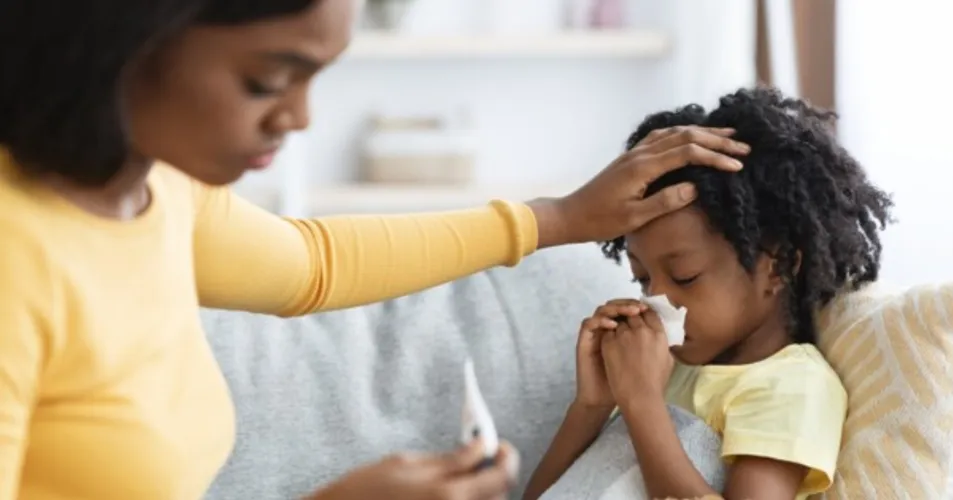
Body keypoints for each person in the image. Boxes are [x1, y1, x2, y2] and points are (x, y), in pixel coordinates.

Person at [0, 1, 751, 499]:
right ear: (124, 41)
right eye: (267, 80)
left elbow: (311, 266)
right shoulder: (19, 256)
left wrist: (560, 217)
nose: (298, 117)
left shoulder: (156, 189)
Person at [524, 87, 895, 500]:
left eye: (684, 277)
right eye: (643, 279)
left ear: (778, 266)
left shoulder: (791, 386)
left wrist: (643, 403)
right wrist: (592, 405)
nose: (657, 299)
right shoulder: (668, 370)